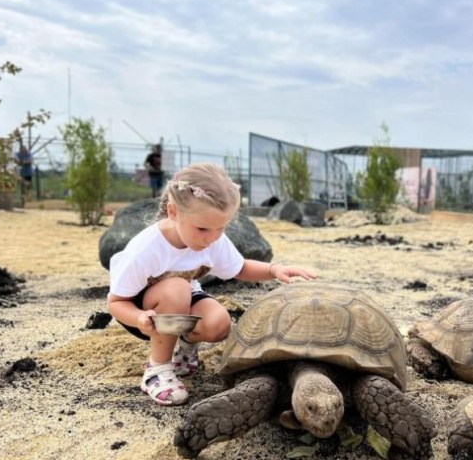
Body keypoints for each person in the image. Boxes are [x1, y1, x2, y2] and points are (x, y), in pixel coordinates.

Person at [107, 162, 317, 406]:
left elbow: (240, 268)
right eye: (202, 228)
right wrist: (139, 318)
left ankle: (184, 346)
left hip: (181, 304)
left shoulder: (213, 239)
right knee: (176, 289)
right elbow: (116, 302)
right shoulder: (146, 250)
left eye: (221, 228)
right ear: (173, 212)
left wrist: (274, 269)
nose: (212, 237)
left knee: (219, 323)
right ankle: (157, 369)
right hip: (143, 313)